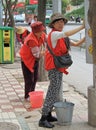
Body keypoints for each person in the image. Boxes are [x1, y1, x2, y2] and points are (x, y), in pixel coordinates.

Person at [39, 13, 85, 128]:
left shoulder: (62, 37)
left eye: (62, 22)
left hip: (58, 67)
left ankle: (48, 114)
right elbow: (67, 33)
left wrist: (88, 36)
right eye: (58, 22)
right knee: (53, 91)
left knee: (54, 91)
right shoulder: (54, 34)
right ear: (53, 24)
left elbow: (77, 44)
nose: (61, 24)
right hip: (53, 67)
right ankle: (43, 117)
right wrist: (82, 27)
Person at [19, 21, 46, 101]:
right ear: (35, 32)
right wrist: (47, 52)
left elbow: (47, 39)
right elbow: (37, 55)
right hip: (26, 60)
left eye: (42, 30)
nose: (42, 33)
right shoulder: (31, 40)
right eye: (40, 31)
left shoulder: (42, 35)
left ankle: (32, 93)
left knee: (35, 77)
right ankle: (27, 96)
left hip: (34, 59)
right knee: (29, 79)